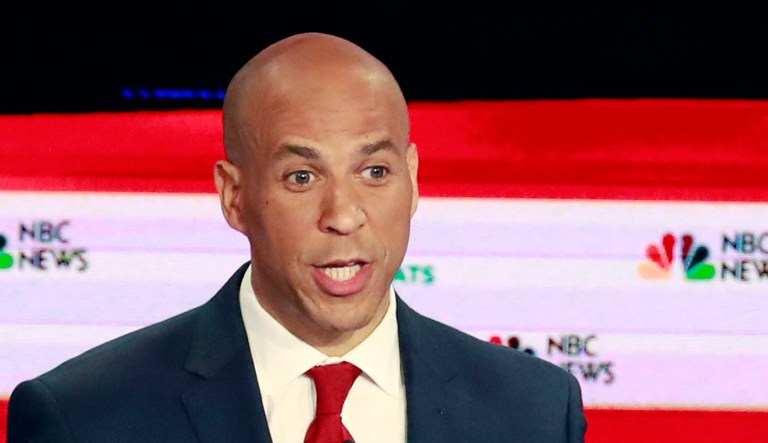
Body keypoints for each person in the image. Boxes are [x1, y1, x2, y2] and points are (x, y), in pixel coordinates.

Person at [7, 32, 587, 442]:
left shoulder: (534, 412)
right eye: (302, 177)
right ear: (234, 197)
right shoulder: (84, 418)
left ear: (413, 183)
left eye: (375, 172)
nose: (344, 215)